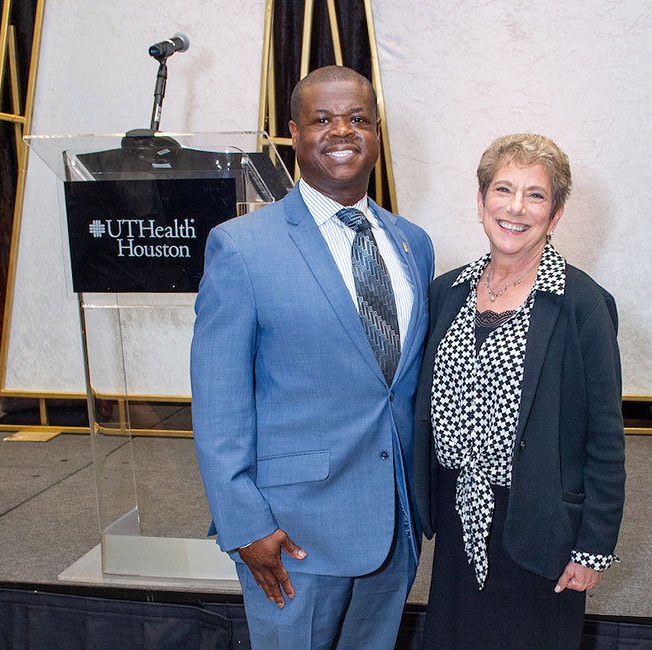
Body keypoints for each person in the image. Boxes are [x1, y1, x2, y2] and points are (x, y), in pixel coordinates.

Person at [190, 65, 434, 649]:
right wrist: (244, 523)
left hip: (395, 523)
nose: (341, 132)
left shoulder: (413, 243)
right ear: (294, 134)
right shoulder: (242, 247)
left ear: (377, 135)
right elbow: (218, 401)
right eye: (322, 119)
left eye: (357, 119)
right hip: (292, 533)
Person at [413, 133, 625, 649]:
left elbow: (605, 438)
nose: (515, 207)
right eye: (503, 190)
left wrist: (592, 549)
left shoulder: (582, 305)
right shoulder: (446, 292)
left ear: (554, 214)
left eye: (535, 195)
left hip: (541, 532)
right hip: (459, 526)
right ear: (481, 201)